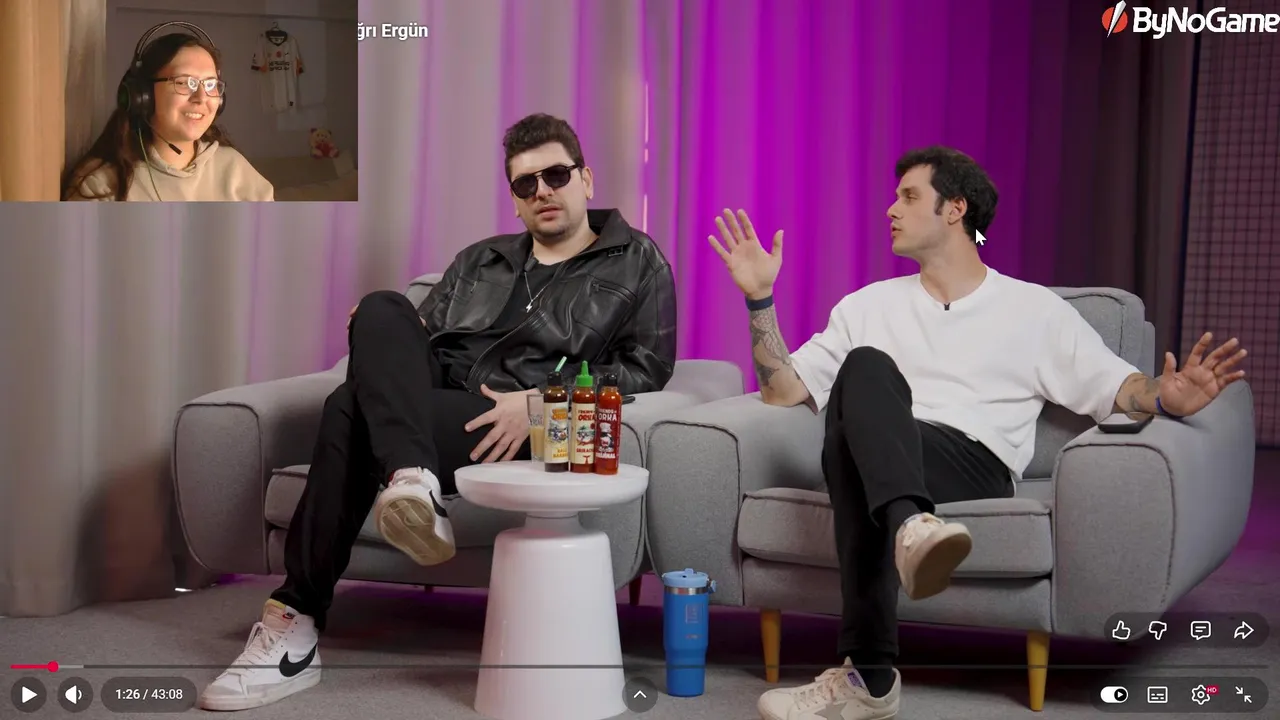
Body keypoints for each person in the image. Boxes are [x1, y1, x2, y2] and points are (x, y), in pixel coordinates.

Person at [708, 146, 1248, 720]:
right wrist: (759, 298)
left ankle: (870, 675)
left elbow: (1119, 388)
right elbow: (783, 392)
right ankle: (910, 529)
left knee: (856, 452)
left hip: (973, 463)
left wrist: (1166, 396)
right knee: (864, 372)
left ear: (955, 208)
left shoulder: (1033, 310)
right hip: (881, 455)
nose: (890, 209)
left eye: (909, 196)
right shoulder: (867, 306)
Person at [198, 113, 678, 711]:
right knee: (381, 307)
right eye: (525, 184)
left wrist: (540, 402)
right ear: (515, 200)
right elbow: (417, 342)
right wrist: (378, 335)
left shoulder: (637, 261)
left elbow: (648, 368)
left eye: (556, 175)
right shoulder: (480, 260)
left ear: (585, 178)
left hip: (515, 420)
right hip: (434, 404)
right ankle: (413, 478)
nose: (542, 192)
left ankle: (294, 622)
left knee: (348, 406)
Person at [63, 25, 273, 201]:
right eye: (183, 82)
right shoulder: (100, 186)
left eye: (211, 84)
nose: (201, 97)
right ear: (143, 95)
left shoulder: (236, 170)